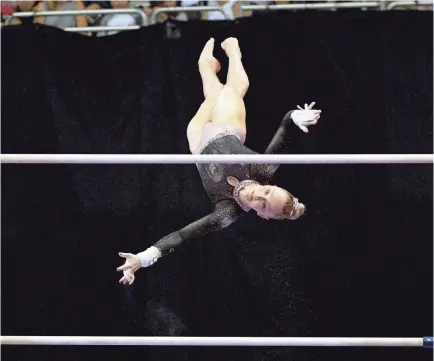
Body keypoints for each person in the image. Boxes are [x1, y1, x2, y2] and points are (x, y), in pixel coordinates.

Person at [117, 37, 321, 285]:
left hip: (198, 141)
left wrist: (143, 258)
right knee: (231, 91)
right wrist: (297, 116)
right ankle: (232, 52)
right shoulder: (263, 168)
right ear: (271, 185)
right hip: (228, 127)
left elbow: (184, 235)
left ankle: (208, 66)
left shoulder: (228, 213)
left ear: (262, 216)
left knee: (216, 95)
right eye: (268, 191)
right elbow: (286, 126)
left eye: (264, 205)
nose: (260, 196)